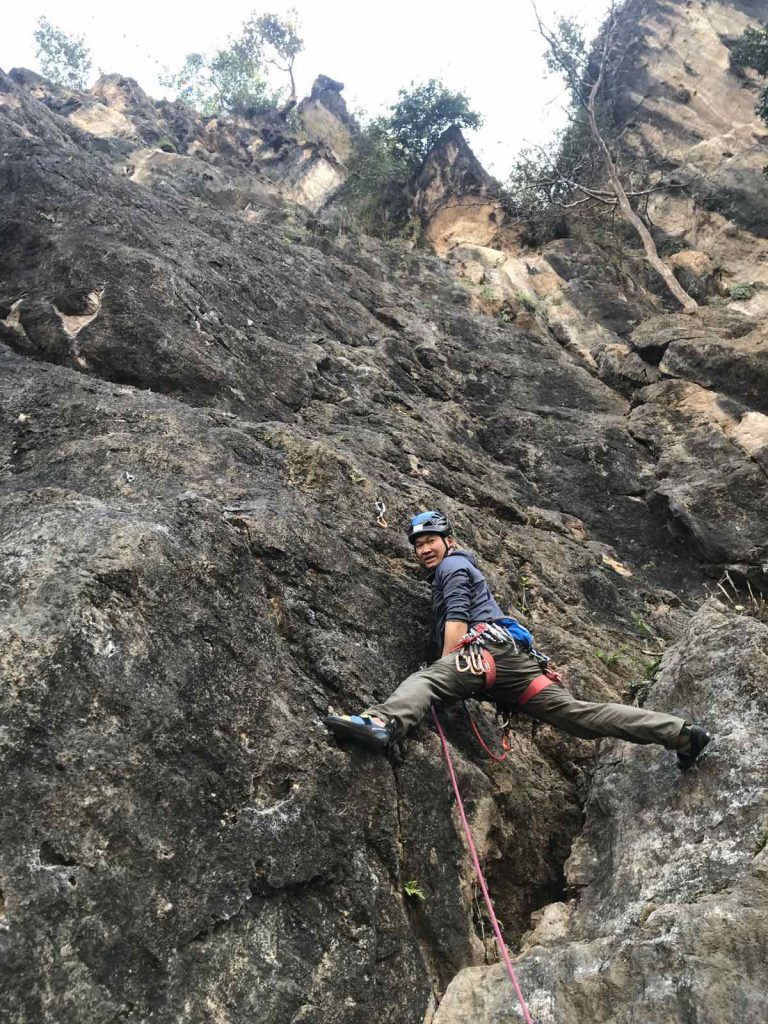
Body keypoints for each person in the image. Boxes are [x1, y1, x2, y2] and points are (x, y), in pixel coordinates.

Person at [324, 510, 711, 769]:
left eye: (430, 540)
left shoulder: (452, 567)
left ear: (448, 540)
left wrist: (446, 668)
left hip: (483, 652)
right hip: (515, 666)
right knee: (577, 716)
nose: (424, 549)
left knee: (426, 680)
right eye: (418, 544)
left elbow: (457, 617)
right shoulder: (459, 566)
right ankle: (678, 733)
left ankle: (381, 721)